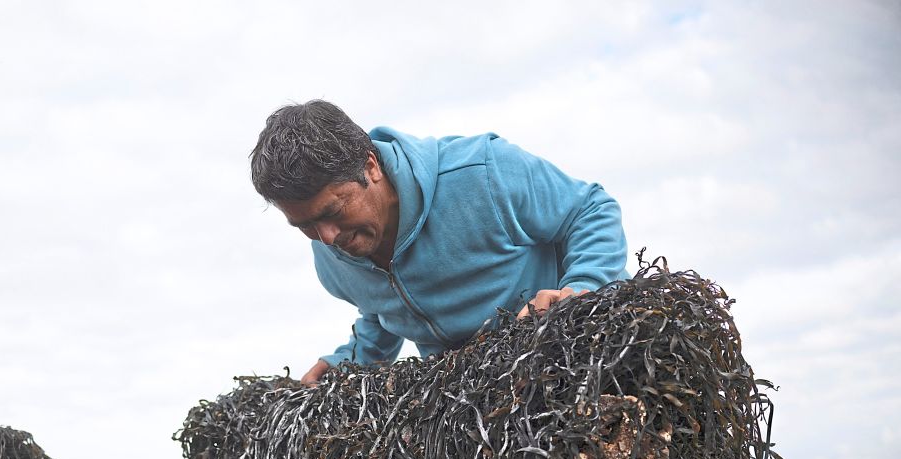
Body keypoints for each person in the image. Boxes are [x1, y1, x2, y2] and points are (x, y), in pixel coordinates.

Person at [249, 100, 628, 386]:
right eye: (304, 225)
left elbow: (590, 209)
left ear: (370, 167)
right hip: (475, 393)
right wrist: (348, 361)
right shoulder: (330, 259)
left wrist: (582, 289)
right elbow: (385, 308)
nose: (326, 237)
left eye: (332, 210)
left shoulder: (483, 173)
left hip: (591, 350)